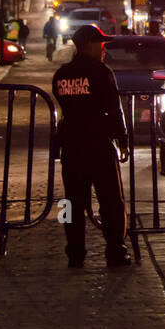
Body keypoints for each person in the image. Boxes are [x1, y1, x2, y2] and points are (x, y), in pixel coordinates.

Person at [52, 24, 131, 267]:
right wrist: (122, 138)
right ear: (88, 46)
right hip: (98, 144)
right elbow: (113, 107)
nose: (103, 49)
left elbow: (64, 107)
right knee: (110, 201)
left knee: (70, 203)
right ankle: (115, 251)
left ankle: (74, 253)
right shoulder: (100, 72)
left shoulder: (62, 75)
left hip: (72, 147)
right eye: (100, 44)